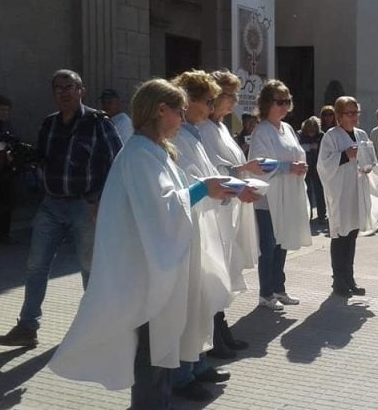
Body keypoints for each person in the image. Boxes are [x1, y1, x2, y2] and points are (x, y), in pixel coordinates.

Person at [48, 78, 237, 409]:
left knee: (160, 348)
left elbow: (172, 200)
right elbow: (161, 209)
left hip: (159, 266)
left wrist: (209, 189)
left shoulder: (155, 151)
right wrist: (203, 188)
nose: (182, 118)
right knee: (151, 352)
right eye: (178, 110)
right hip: (146, 272)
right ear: (161, 110)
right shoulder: (138, 155)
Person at [0, 69, 122, 348]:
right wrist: (27, 156)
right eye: (58, 88)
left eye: (69, 87)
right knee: (36, 266)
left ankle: (97, 329)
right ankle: (27, 327)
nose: (64, 93)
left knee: (90, 269)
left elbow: (117, 163)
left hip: (85, 205)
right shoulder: (50, 123)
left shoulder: (97, 122)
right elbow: (44, 158)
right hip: (51, 205)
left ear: (81, 91)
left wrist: (101, 201)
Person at [171, 70, 253, 401]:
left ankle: (198, 362)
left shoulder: (193, 133)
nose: (210, 106)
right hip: (190, 229)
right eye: (207, 100)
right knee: (190, 302)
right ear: (188, 101)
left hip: (207, 223)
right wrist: (220, 186)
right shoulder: (178, 137)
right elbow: (188, 182)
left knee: (202, 299)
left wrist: (228, 186)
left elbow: (207, 175)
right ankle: (182, 374)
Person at [201, 69, 266, 359]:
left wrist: (246, 169)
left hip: (229, 209)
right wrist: (241, 173)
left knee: (224, 272)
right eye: (229, 94)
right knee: (213, 274)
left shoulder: (221, 127)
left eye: (235, 95)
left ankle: (221, 331)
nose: (234, 100)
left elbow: (229, 165)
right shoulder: (201, 128)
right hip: (213, 212)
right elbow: (210, 171)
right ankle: (215, 337)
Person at [248, 79, 312, 310]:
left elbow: (297, 154)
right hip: (268, 199)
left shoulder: (288, 129)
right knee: (269, 245)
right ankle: (265, 294)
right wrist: (287, 168)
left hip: (288, 195)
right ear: (266, 103)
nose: (284, 106)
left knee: (282, 242)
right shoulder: (261, 130)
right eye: (279, 101)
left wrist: (300, 166)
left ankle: (278, 288)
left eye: (287, 101)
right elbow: (259, 163)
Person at [317, 96, 378, 297]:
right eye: (349, 113)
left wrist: (368, 166)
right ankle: (338, 281)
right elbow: (323, 165)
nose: (354, 116)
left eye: (356, 112)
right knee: (341, 235)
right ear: (339, 116)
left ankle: (350, 278)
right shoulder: (331, 136)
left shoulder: (361, 133)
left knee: (352, 235)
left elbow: (369, 158)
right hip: (341, 193)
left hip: (357, 190)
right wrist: (346, 154)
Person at [0, 95, 17, 243]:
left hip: (5, 170)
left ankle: (4, 233)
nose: (5, 113)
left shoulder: (7, 125)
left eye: (7, 110)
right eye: (2, 110)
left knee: (7, 203)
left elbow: (14, 140)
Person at [298, 116, 326, 223]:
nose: (311, 134)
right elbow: (297, 148)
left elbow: (325, 149)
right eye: (309, 131)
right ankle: (308, 215)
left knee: (320, 191)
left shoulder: (321, 135)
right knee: (307, 191)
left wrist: (317, 147)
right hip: (305, 165)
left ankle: (322, 215)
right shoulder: (300, 135)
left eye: (314, 131)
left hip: (318, 166)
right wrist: (309, 147)